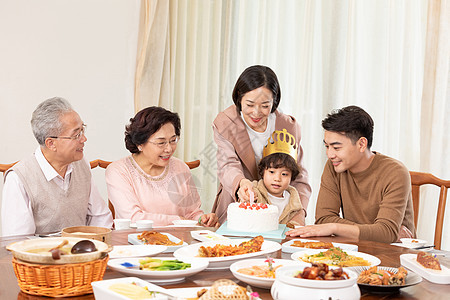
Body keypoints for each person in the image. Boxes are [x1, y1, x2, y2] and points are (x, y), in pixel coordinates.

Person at [286, 105, 415, 243]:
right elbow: (323, 219)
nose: (329, 154)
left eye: (336, 147)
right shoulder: (334, 166)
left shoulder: (395, 173)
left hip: (392, 254)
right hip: (353, 249)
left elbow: (385, 233)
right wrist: (375, 231)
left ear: (361, 144)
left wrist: (334, 227)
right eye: (327, 146)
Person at [212, 65, 311, 224]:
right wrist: (241, 183)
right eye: (250, 105)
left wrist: (298, 214)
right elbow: (227, 164)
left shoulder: (288, 126)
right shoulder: (226, 123)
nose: (256, 113)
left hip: (281, 210)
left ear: (275, 100)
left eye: (265, 105)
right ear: (239, 97)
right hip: (241, 202)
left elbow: (300, 175)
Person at [1, 97, 113, 236]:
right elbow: (18, 241)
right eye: (76, 134)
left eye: (83, 130)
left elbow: (100, 218)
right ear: (51, 143)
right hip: (43, 255)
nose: (84, 139)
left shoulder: (81, 163)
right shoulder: (19, 178)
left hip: (84, 252)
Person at [105, 106, 218, 227]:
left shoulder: (180, 167)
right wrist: (178, 220)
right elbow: (133, 218)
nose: (169, 149)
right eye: (161, 143)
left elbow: (192, 213)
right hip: (136, 242)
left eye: (173, 140)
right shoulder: (118, 171)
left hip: (179, 242)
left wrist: (203, 219)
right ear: (140, 144)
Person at [253, 148, 304, 227]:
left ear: (292, 177)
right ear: (262, 173)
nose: (277, 179)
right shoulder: (254, 191)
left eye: (284, 174)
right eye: (272, 172)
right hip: (257, 238)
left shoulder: (293, 200)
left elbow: (296, 225)